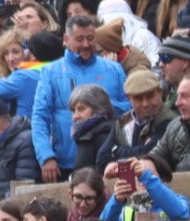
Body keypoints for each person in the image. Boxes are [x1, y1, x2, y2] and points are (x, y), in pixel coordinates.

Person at [31, 15, 130, 182]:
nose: (86, 44)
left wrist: (101, 107)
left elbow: (129, 110)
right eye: (79, 39)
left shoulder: (114, 69)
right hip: (66, 162)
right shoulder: (51, 72)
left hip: (108, 160)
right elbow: (40, 117)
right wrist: (46, 155)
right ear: (66, 39)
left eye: (90, 38)